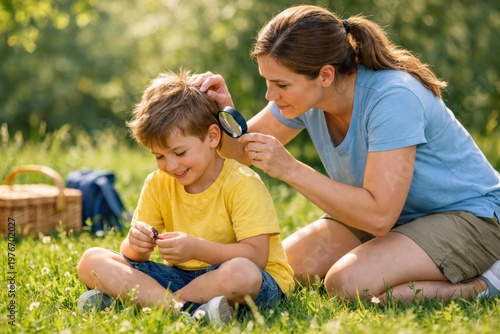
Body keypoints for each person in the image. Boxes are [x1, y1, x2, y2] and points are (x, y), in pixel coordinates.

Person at [190, 4, 500, 303]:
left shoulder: (393, 97)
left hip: (470, 217)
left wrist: (291, 169)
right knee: (278, 270)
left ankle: (484, 283)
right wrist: (223, 110)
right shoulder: (306, 97)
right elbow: (243, 152)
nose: (271, 95)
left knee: (347, 283)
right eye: (268, 82)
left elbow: (379, 218)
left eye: (280, 84)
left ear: (325, 75)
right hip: (393, 216)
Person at [77, 69, 294, 327]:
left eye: (179, 152)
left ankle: (145, 302)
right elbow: (132, 257)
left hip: (255, 281)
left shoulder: (242, 183)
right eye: (159, 156)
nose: (170, 165)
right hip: (183, 278)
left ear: (213, 136)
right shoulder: (158, 182)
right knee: (92, 260)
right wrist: (137, 243)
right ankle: (186, 309)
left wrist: (195, 248)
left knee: (241, 273)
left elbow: (256, 258)